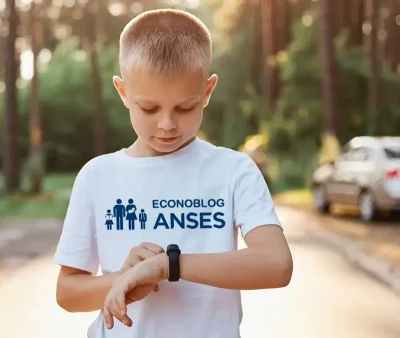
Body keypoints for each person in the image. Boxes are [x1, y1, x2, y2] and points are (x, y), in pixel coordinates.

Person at [54, 8, 293, 338]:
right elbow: (67, 293)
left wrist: (169, 266)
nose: (167, 123)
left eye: (185, 107)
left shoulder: (234, 170)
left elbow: (276, 265)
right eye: (149, 108)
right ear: (123, 92)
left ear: (207, 92)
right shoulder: (97, 176)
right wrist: (126, 280)